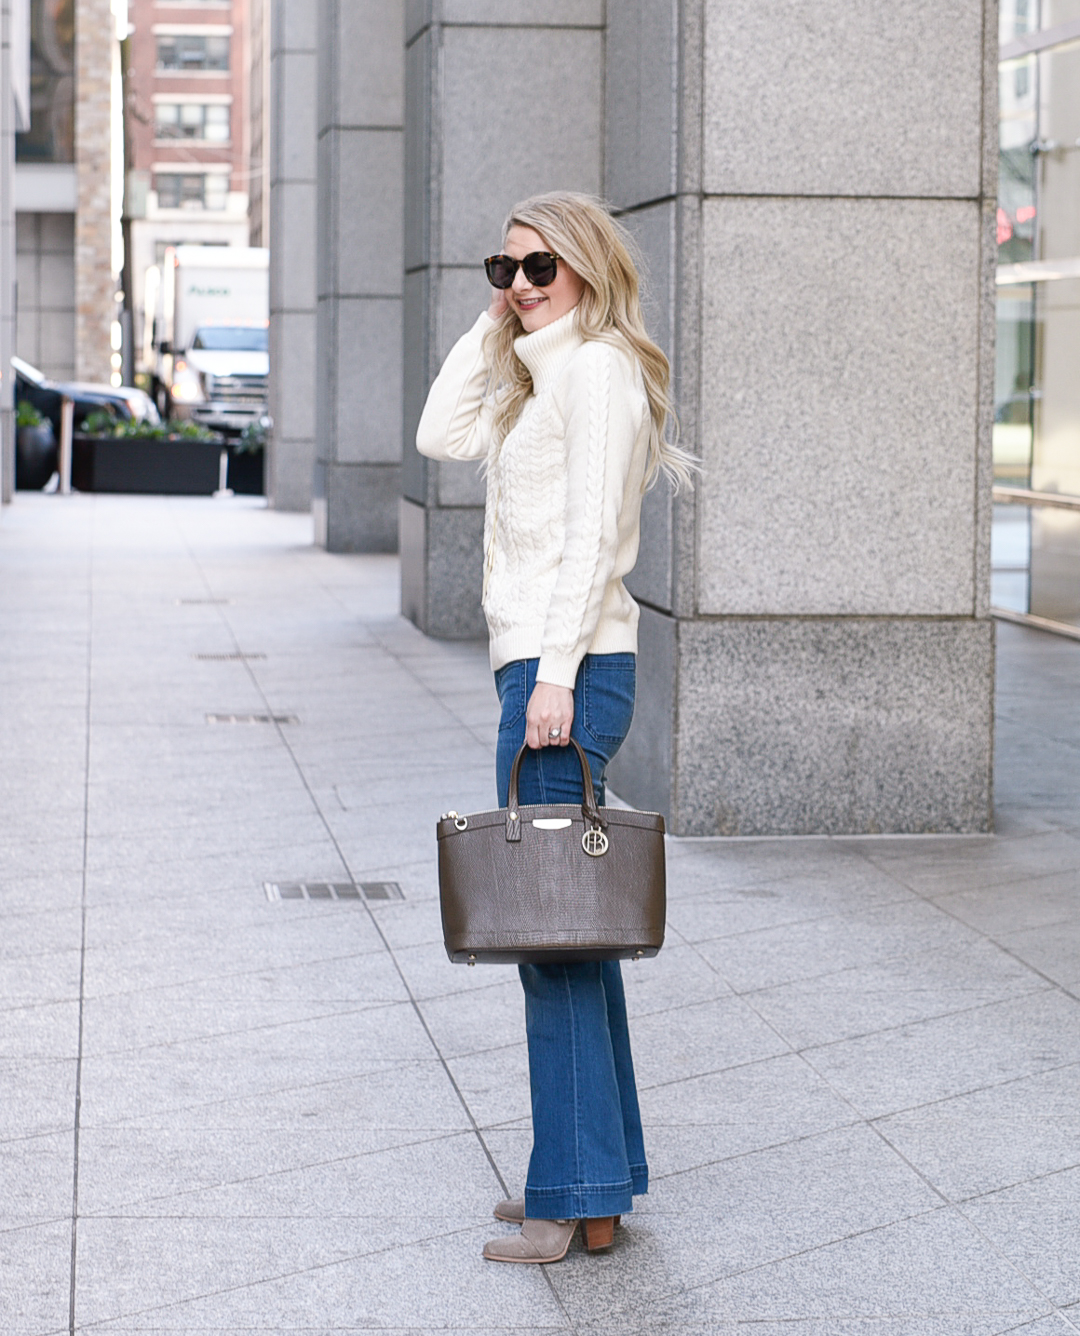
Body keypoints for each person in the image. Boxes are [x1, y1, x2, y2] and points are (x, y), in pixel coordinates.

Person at [416, 191, 695, 1265]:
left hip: (563, 672)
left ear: (586, 268)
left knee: (550, 941)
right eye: (506, 269)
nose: (522, 286)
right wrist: (495, 324)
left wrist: (558, 677)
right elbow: (439, 433)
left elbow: (591, 540)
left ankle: (573, 1192)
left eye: (541, 270)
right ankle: (596, 1177)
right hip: (541, 669)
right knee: (567, 932)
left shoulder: (601, 371)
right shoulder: (538, 374)